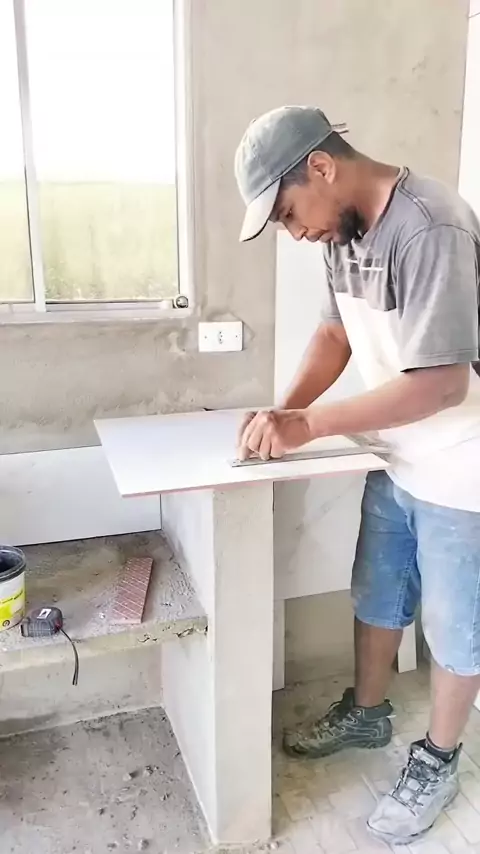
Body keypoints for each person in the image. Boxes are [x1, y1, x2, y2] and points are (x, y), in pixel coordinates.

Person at [234, 105, 480, 845]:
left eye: (287, 214)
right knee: (377, 592)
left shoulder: (430, 224)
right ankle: (368, 715)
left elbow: (443, 384)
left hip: (462, 460)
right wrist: (285, 410)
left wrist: (311, 426)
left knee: (456, 625)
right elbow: (334, 332)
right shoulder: (340, 233)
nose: (293, 232)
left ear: (321, 166)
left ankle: (438, 758)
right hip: (396, 448)